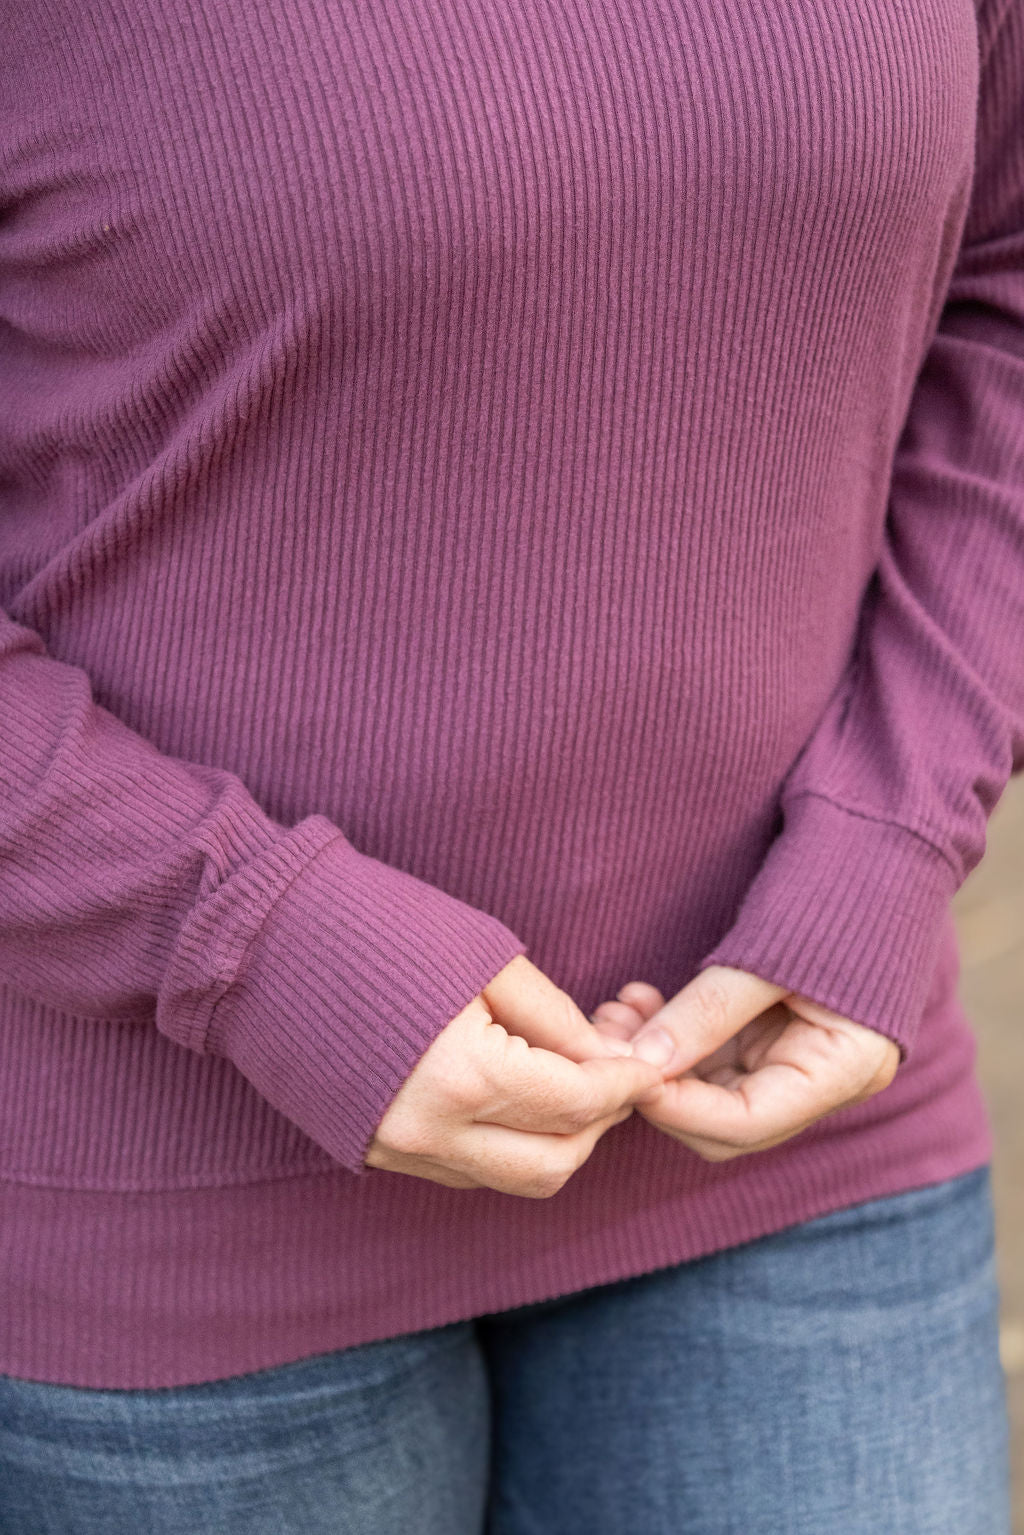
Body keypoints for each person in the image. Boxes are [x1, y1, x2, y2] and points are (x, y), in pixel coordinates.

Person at [0, 0, 1019, 1528]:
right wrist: (248, 936)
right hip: (165, 1233)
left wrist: (892, 841)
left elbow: (1003, 289)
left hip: (798, 1117)